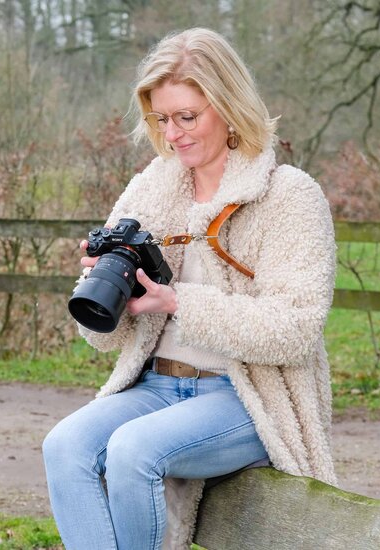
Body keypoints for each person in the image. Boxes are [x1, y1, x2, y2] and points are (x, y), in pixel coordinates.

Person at [43, 27, 337, 550]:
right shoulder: (151, 187)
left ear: (228, 106)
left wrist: (178, 302)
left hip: (248, 396)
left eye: (187, 117)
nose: (173, 134)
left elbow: (295, 328)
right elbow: (104, 339)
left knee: (134, 449)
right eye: (162, 119)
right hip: (154, 387)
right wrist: (103, 286)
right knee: (64, 445)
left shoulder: (288, 195)